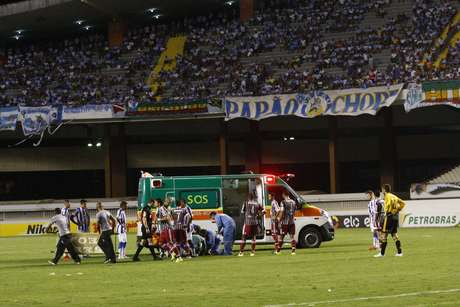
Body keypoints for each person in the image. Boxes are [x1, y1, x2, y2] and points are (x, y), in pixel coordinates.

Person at [374, 184, 405, 258]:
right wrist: (397, 210)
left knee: (384, 235)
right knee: (394, 235)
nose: (382, 191)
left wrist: (388, 211)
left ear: (384, 190)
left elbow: (387, 205)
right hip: (395, 217)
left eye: (382, 189)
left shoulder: (387, 196)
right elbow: (403, 203)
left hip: (389, 217)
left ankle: (382, 254)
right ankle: (399, 252)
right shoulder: (394, 196)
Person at [238, 192, 264, 257]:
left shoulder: (246, 202)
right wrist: (258, 216)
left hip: (248, 223)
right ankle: (252, 252)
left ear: (248, 197)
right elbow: (264, 211)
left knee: (244, 237)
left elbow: (242, 212)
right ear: (254, 197)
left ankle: (241, 252)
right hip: (255, 223)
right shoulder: (257, 203)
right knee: (253, 237)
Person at [157, 198, 181, 262]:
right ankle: (172, 253)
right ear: (164, 202)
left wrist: (159, 219)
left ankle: (179, 257)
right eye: (168, 202)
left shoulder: (166, 209)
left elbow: (167, 218)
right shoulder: (162, 208)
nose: (168, 203)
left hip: (168, 228)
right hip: (163, 229)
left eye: (169, 202)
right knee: (160, 243)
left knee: (170, 243)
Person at [277, 190, 297, 255]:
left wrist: (279, 218)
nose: (282, 195)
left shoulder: (283, 202)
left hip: (285, 222)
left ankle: (278, 251)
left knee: (281, 236)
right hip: (292, 222)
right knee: (292, 237)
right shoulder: (293, 202)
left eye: (282, 194)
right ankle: (293, 251)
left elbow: (282, 211)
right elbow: (294, 211)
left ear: (284, 194)